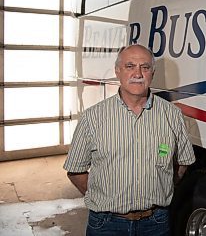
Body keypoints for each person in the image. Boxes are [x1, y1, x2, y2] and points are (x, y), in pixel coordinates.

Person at [64, 44, 196, 236]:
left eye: (145, 67)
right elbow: (76, 170)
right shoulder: (92, 117)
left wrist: (162, 187)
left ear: (152, 73)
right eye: (130, 66)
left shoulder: (172, 115)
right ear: (117, 71)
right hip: (106, 225)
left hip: (156, 224)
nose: (138, 73)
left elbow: (182, 164)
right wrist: (102, 198)